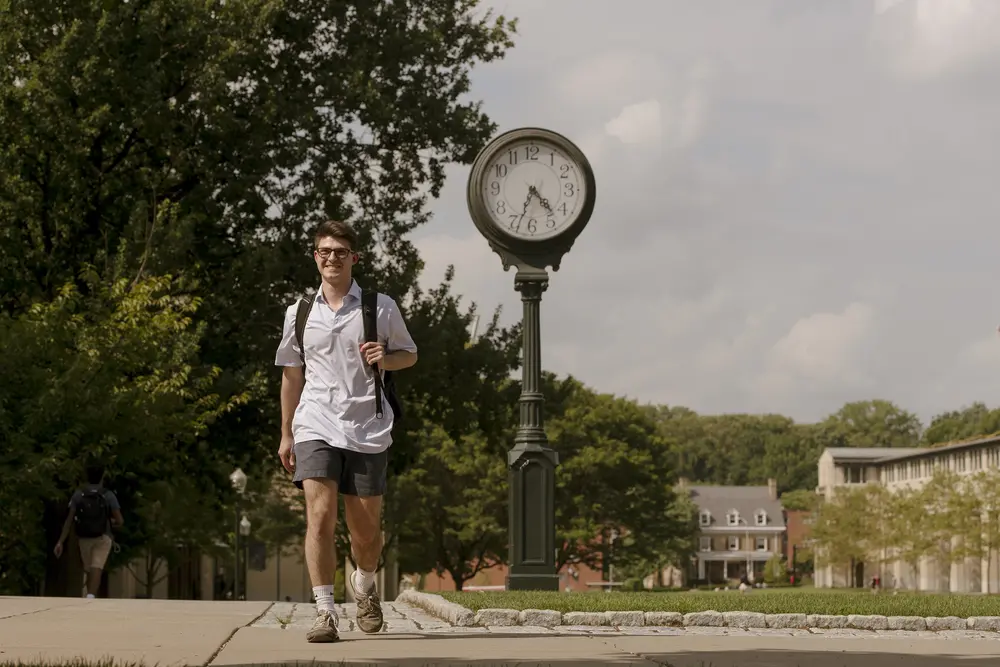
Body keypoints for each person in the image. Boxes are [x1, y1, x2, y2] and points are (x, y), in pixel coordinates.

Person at [274, 220, 418, 643]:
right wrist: (286, 433)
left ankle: (366, 586)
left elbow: (409, 355)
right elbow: (291, 377)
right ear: (315, 257)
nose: (332, 258)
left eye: (340, 252)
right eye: (324, 251)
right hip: (315, 422)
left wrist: (385, 358)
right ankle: (325, 612)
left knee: (365, 530)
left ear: (354, 258)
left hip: (368, 426)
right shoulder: (299, 312)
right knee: (319, 516)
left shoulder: (378, 307)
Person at [54, 463, 124, 598]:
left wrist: (60, 541)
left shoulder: (78, 495)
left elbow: (69, 520)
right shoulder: (108, 495)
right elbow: (120, 520)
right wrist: (111, 523)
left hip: (84, 536)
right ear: (102, 477)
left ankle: (88, 594)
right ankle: (90, 596)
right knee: (97, 565)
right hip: (103, 536)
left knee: (88, 568)